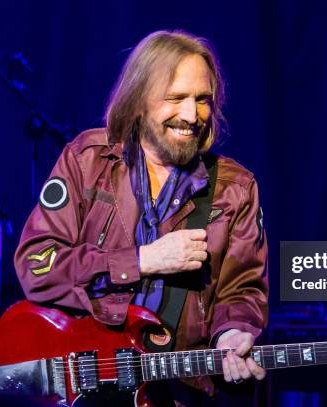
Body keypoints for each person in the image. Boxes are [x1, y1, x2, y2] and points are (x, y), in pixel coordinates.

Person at [14, 30, 268, 404]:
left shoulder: (235, 188)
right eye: (176, 98)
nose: (190, 115)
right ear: (138, 101)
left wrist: (232, 332)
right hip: (84, 388)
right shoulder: (87, 160)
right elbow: (36, 266)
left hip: (176, 392)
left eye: (202, 100)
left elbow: (241, 290)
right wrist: (142, 260)